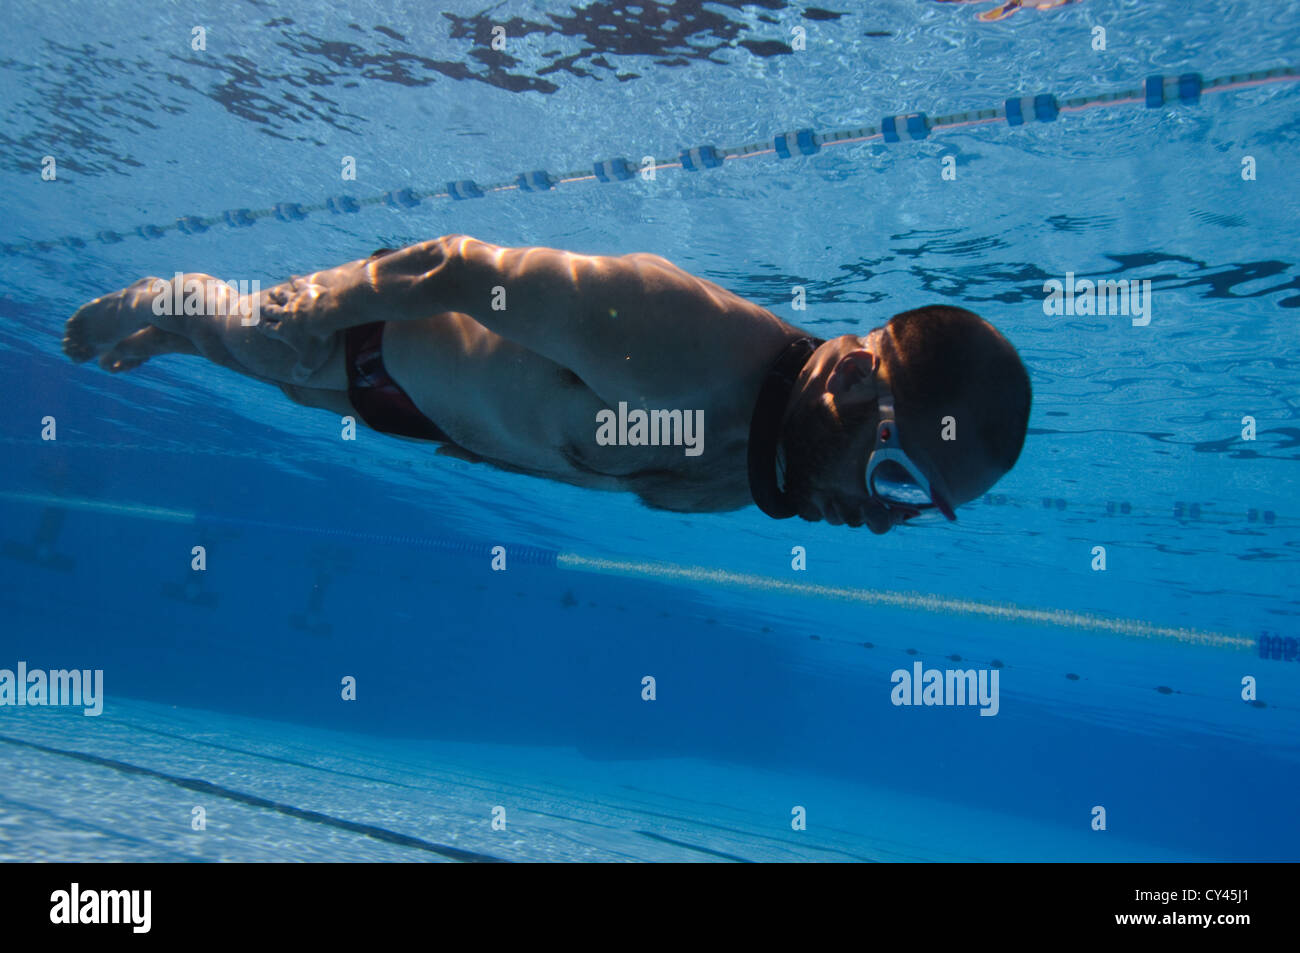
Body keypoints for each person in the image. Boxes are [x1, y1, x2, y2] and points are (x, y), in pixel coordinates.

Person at [63, 235, 1031, 533]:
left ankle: (182, 334)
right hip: (358, 340)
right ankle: (172, 298)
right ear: (859, 379)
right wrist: (308, 307)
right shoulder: (683, 336)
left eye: (919, 510)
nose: (883, 521)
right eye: (899, 480)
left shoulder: (741, 472)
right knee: (249, 341)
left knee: (250, 371)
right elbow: (457, 267)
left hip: (400, 409)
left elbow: (582, 455)